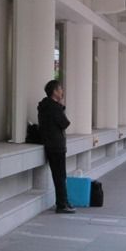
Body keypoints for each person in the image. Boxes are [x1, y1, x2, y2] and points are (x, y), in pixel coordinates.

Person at [38, 79, 73, 214]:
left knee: (58, 175)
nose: (62, 92)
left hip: (49, 144)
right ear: (54, 91)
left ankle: (63, 202)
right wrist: (61, 106)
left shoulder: (44, 106)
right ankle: (62, 204)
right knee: (60, 176)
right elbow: (65, 123)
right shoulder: (54, 107)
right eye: (60, 89)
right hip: (57, 145)